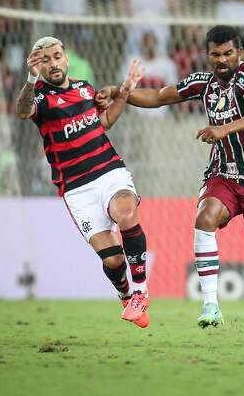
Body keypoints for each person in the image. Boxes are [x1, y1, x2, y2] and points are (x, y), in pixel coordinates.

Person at [96, 25, 244, 328]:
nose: (222, 59)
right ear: (208, 55)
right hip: (223, 175)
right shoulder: (204, 82)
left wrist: (223, 129)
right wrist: (120, 92)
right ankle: (210, 305)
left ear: (239, 53)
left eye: (228, 53)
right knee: (205, 217)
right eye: (216, 54)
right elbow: (160, 96)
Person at [16, 36, 151, 328]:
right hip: (76, 189)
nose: (52, 63)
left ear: (66, 59)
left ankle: (140, 292)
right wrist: (30, 79)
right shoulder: (38, 96)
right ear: (38, 64)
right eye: (45, 59)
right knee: (113, 261)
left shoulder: (84, 88)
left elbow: (102, 123)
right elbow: (23, 111)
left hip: (109, 171)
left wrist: (125, 90)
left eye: (56, 56)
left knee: (127, 213)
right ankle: (125, 294)